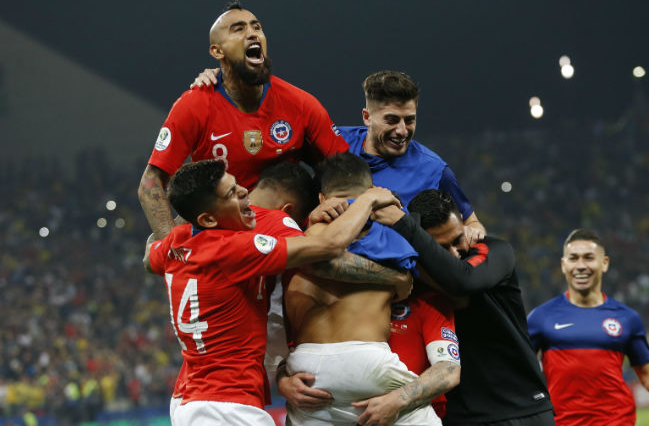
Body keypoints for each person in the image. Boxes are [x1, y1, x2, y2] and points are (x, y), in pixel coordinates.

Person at [143, 159, 399, 425]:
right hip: (225, 406)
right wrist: (366, 200)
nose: (244, 192)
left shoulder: (176, 240)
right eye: (231, 192)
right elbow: (328, 246)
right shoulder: (236, 247)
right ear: (207, 218)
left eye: (238, 184)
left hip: (190, 398)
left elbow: (150, 258)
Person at [191, 69, 486, 242]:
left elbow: (473, 223)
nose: (402, 130)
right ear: (366, 116)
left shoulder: (434, 169)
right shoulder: (333, 141)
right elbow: (266, 137)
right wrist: (225, 80)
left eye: (410, 119)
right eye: (392, 119)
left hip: (393, 295)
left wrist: (472, 232)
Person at [139, 0, 348, 240]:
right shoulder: (193, 105)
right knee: (154, 246)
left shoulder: (300, 104)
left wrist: (329, 202)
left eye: (256, 27)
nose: (252, 34)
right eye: (238, 29)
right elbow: (151, 181)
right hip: (222, 233)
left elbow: (342, 169)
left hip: (287, 230)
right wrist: (171, 246)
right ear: (217, 51)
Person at [280, 153, 447, 426]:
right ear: (372, 193)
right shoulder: (388, 236)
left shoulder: (294, 239)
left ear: (322, 198)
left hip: (305, 368)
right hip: (366, 360)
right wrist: (395, 279)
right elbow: (411, 286)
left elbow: (317, 264)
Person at [374, 189, 555, 426]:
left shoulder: (495, 251)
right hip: (461, 417)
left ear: (462, 222)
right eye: (440, 247)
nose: (455, 253)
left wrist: (405, 225)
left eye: (457, 239)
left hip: (522, 409)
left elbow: (463, 281)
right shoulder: (410, 279)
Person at [527, 228, 649, 426]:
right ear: (563, 264)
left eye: (589, 258)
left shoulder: (627, 318)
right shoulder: (541, 317)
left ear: (605, 263)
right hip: (563, 422)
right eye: (573, 258)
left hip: (616, 420)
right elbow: (518, 370)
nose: (581, 265)